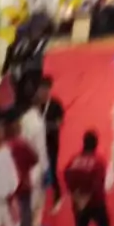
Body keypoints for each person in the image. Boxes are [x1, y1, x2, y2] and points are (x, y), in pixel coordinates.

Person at [5, 108, 39, 226]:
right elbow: (34, 159)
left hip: (6, 198)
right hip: (21, 194)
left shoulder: (1, 146)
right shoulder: (19, 145)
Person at [21, 95, 49, 226]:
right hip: (36, 164)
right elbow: (41, 148)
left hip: (24, 164)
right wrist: (45, 168)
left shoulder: (23, 119)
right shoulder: (38, 123)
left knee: (29, 196)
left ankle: (28, 224)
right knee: (38, 196)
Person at [37, 77, 65, 213]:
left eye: (45, 90)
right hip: (38, 143)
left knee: (52, 169)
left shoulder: (55, 105)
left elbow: (60, 123)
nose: (42, 93)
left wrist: (46, 126)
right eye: (41, 90)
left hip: (52, 142)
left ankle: (58, 195)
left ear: (49, 90)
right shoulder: (36, 105)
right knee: (39, 170)